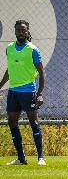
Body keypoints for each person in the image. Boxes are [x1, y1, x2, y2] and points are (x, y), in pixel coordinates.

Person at [0, 20, 46, 165]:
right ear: (15, 31)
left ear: (27, 32)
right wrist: (0, 85)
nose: (21, 32)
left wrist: (39, 93)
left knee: (34, 123)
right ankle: (21, 158)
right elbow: (10, 70)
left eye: (23, 30)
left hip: (28, 91)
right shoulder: (9, 48)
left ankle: (41, 158)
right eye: (18, 30)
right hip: (13, 92)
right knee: (12, 123)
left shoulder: (33, 50)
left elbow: (41, 73)